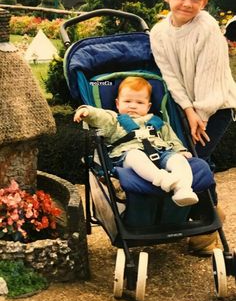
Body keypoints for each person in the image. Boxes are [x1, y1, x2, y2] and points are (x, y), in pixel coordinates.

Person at [150, 0, 236, 254]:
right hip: (187, 108)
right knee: (197, 161)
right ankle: (210, 217)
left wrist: (200, 115)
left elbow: (211, 79)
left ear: (205, 2)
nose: (188, 3)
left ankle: (205, 225)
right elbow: (170, 76)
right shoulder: (159, 32)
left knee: (195, 158)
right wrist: (187, 111)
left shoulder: (208, 27)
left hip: (217, 106)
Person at [74, 76, 199, 207]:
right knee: (135, 156)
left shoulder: (157, 122)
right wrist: (87, 111)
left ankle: (183, 190)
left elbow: (171, 139)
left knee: (179, 160)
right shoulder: (114, 120)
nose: (133, 106)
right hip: (127, 155)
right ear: (117, 103)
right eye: (127, 101)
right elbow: (100, 116)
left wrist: (180, 150)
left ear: (148, 106)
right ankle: (164, 179)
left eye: (139, 103)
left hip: (161, 152)